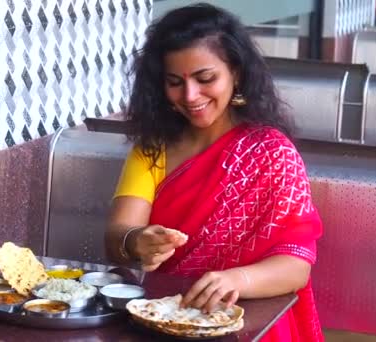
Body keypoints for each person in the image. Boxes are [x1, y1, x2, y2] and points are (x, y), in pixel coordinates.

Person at [104, 3, 323, 341]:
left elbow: (296, 266)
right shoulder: (153, 148)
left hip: (249, 323)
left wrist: (236, 280)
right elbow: (117, 235)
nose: (190, 96)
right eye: (175, 82)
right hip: (167, 318)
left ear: (235, 72)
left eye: (206, 79)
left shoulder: (272, 152)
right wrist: (136, 242)